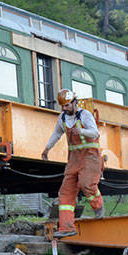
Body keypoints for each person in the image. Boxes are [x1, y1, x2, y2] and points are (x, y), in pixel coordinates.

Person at [41, 88, 105, 236]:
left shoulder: (85, 115)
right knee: (65, 192)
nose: (65, 109)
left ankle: (98, 206)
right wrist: (47, 149)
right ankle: (67, 228)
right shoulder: (62, 118)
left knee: (86, 184)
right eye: (63, 106)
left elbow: (95, 132)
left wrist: (82, 131)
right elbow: (56, 134)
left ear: (74, 102)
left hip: (91, 157)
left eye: (67, 105)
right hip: (74, 159)